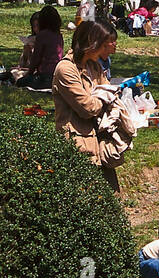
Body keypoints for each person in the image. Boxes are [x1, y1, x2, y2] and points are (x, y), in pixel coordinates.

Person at [52, 20, 133, 192]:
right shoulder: (66, 69)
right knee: (85, 196)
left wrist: (104, 97)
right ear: (91, 43)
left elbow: (112, 96)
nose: (108, 49)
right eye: (104, 45)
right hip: (79, 145)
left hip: (101, 143)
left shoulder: (94, 67)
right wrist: (104, 98)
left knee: (111, 198)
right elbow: (87, 108)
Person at [16, 5, 64, 88]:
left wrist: (29, 74)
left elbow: (36, 58)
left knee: (19, 81)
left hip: (44, 77)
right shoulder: (59, 35)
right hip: (57, 75)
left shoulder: (42, 35)